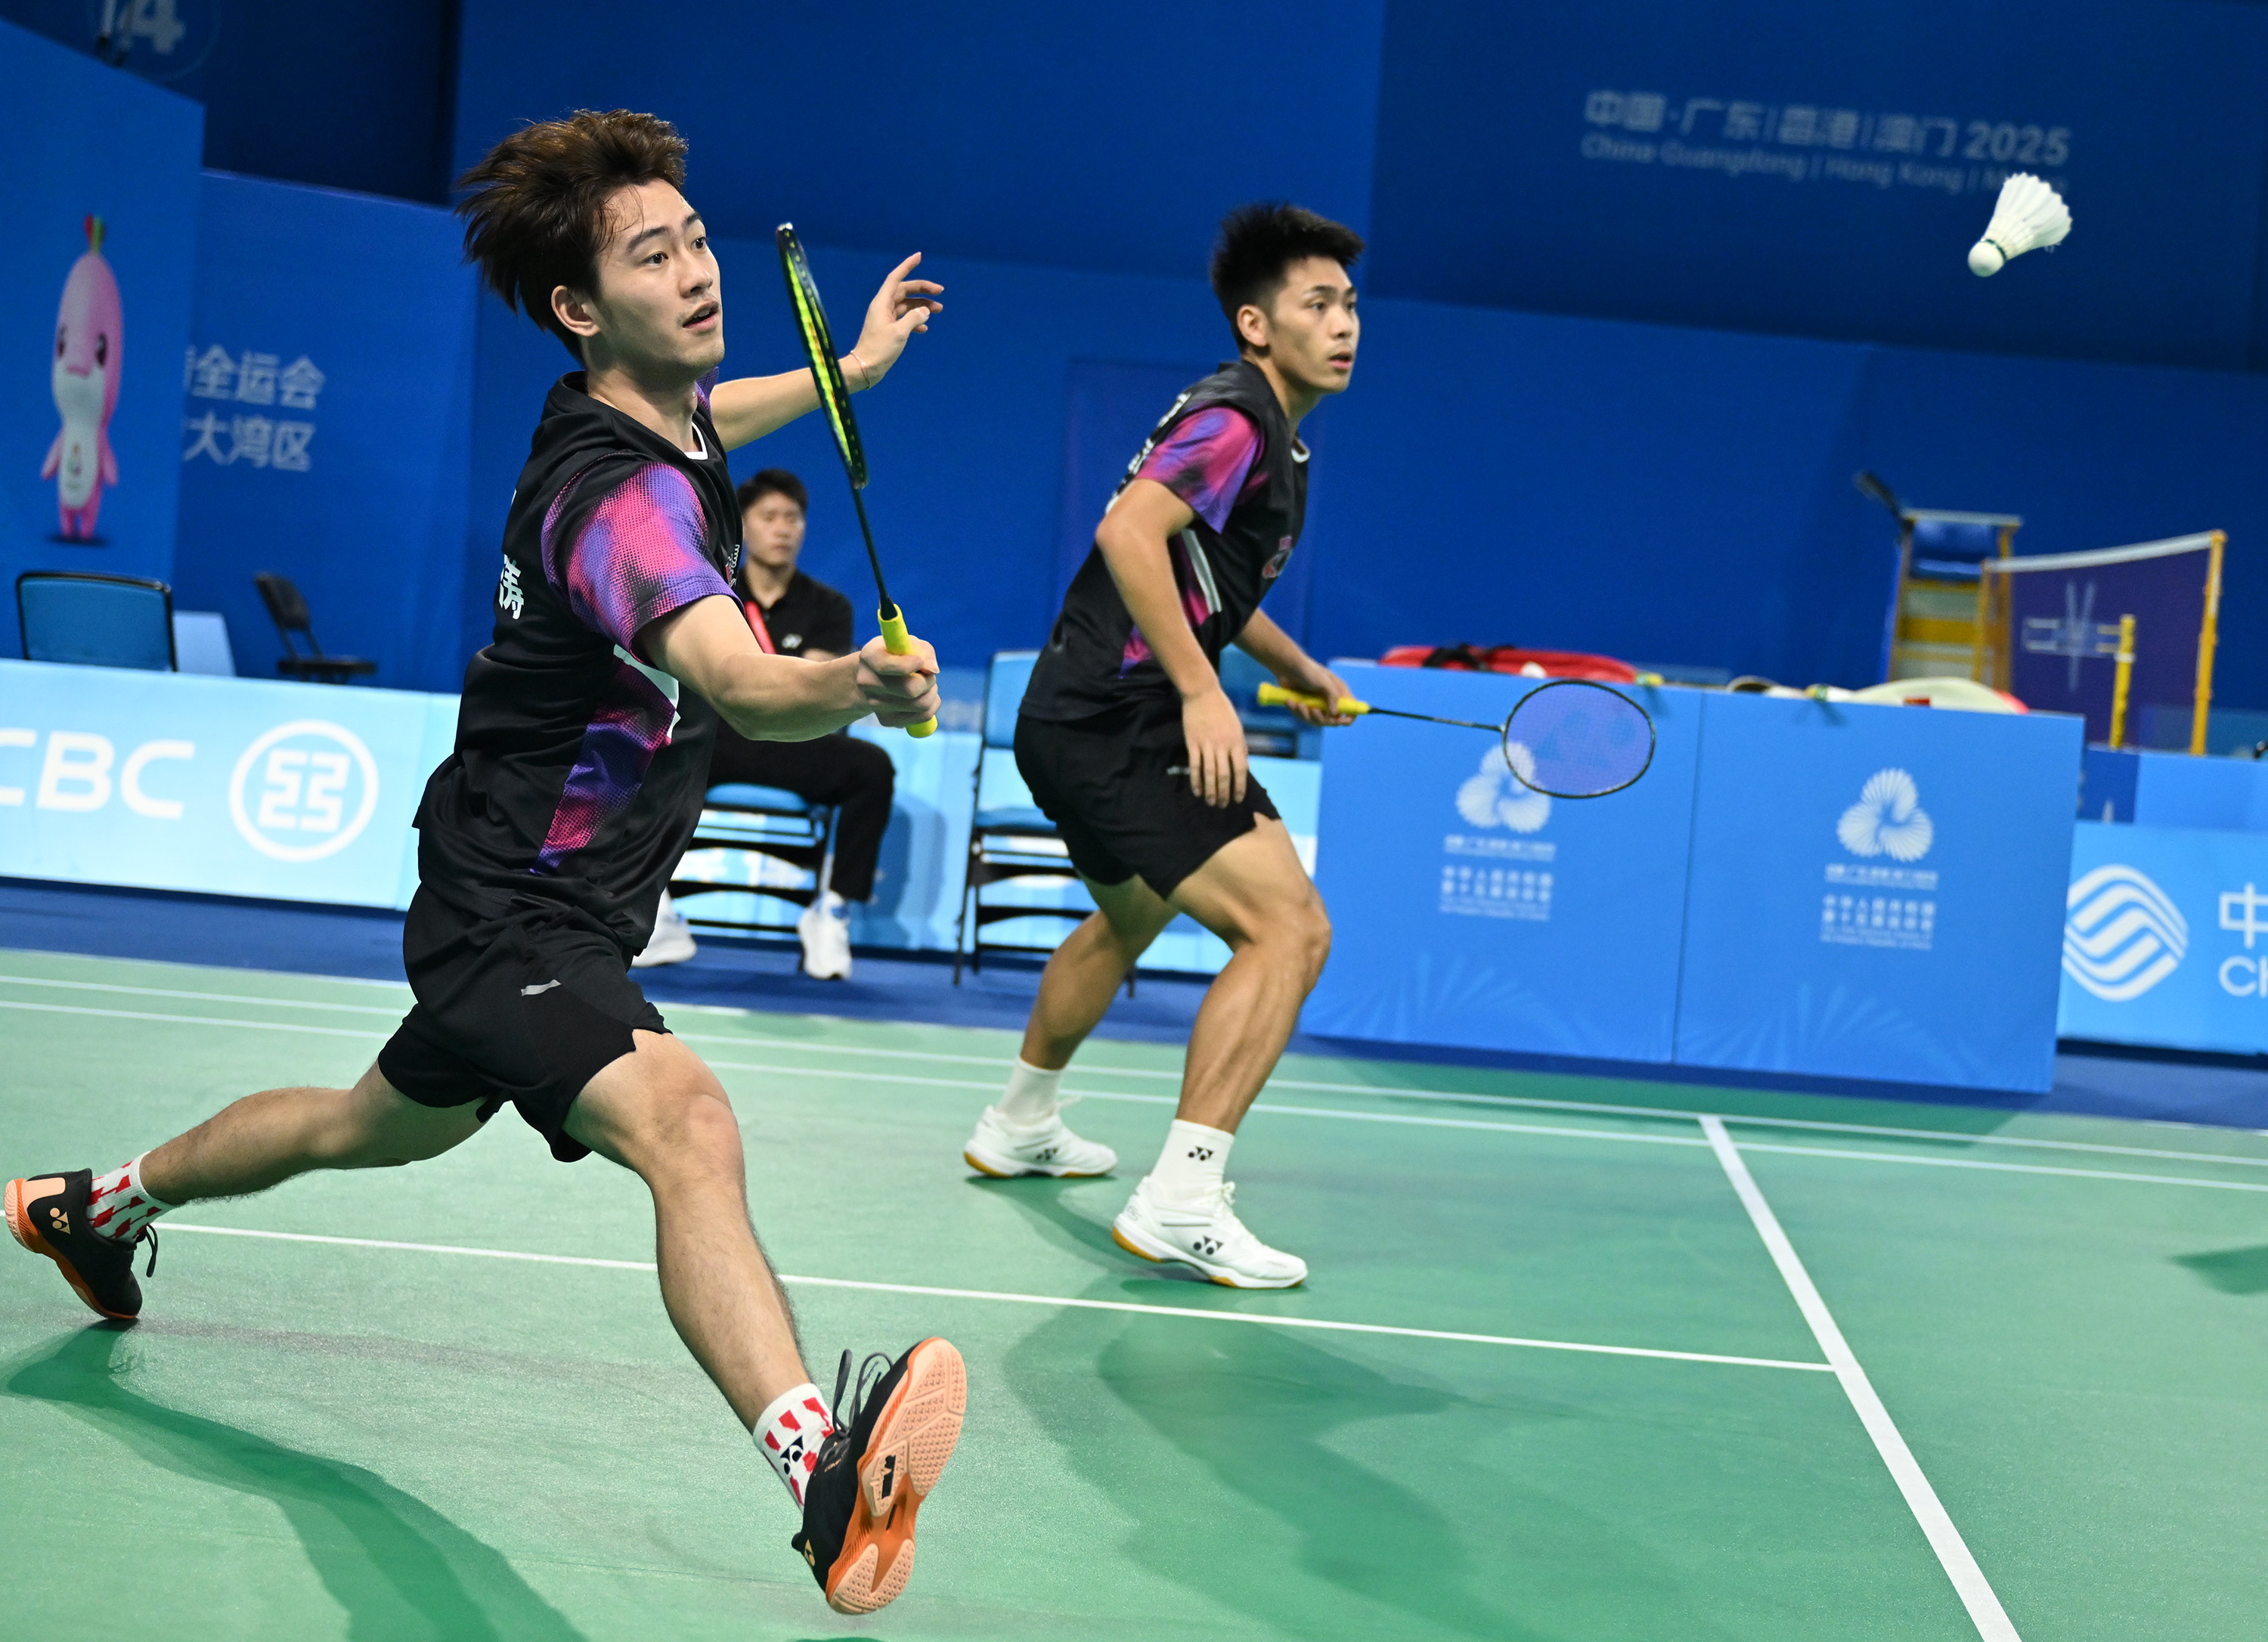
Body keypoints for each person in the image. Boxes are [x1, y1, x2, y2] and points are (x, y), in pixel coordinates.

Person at [6, 110, 961, 1617]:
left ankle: (93, 1204)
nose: (698, 272)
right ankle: (821, 1477)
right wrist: (855, 684)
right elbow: (737, 677)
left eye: (696, 239)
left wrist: (849, 371)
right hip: (515, 908)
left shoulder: (660, 413)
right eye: (653, 257)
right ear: (580, 307)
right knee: (686, 1122)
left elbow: (726, 412)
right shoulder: (616, 501)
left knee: (359, 1125)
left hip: (536, 893)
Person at [958, 203, 1361, 1289]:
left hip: (1069, 716)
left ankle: (1019, 1123)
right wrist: (1201, 690)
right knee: (1290, 930)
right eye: (1317, 304)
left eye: (1349, 304)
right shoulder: (1236, 420)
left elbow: (1204, 582)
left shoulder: (1272, 436)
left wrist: (1299, 669)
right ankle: (1183, 1195)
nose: (1343, 324)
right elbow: (1131, 531)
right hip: (1120, 718)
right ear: (1256, 323)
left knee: (1129, 916)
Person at [637, 469, 897, 980]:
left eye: (793, 518)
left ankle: (832, 911)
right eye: (769, 517)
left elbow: (813, 690)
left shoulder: (829, 606)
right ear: (743, 526)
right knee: (644, 752)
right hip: (718, 738)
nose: (783, 528)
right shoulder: (710, 592)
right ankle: (654, 905)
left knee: (873, 769)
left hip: (793, 743)